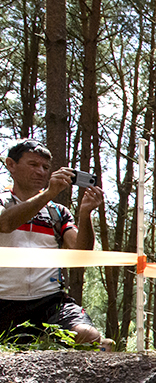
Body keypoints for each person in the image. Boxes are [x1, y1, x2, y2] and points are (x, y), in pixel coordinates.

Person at [0, 139, 104, 345]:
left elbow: (80, 253)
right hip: (3, 300)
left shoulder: (57, 212)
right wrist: (48, 193)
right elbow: (5, 223)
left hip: (48, 301)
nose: (41, 172)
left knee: (89, 337)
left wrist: (85, 214)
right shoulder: (2, 202)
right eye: (33, 164)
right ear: (11, 165)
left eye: (45, 167)